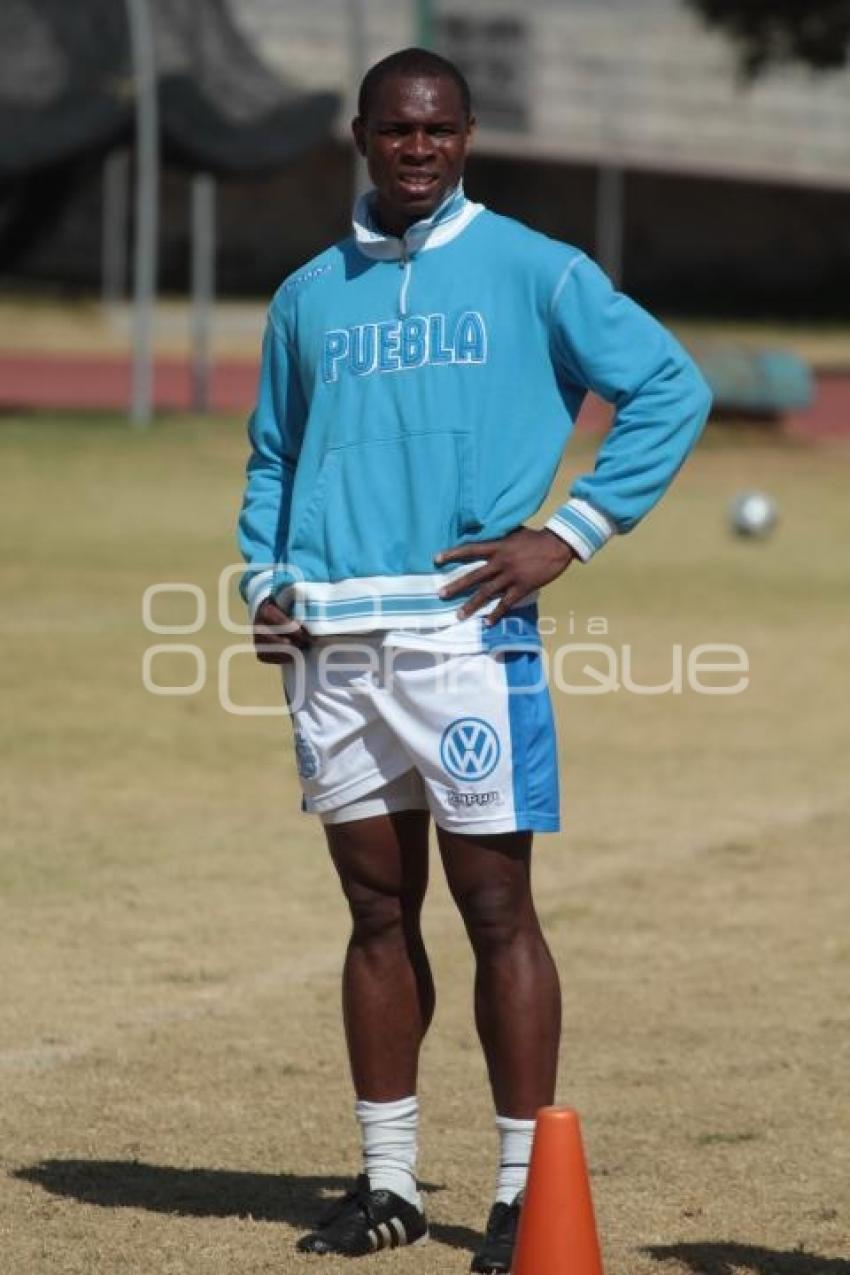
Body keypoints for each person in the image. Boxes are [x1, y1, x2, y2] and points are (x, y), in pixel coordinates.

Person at [238, 46, 711, 1272]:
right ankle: (388, 1183)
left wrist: (569, 532)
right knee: (373, 911)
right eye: (397, 130)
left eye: (439, 130)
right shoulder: (305, 295)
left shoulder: (535, 271)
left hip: (465, 635)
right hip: (333, 640)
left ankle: (516, 1190)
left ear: (468, 136)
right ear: (359, 135)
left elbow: (667, 385)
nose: (418, 149)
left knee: (496, 908)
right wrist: (265, 580)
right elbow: (275, 459)